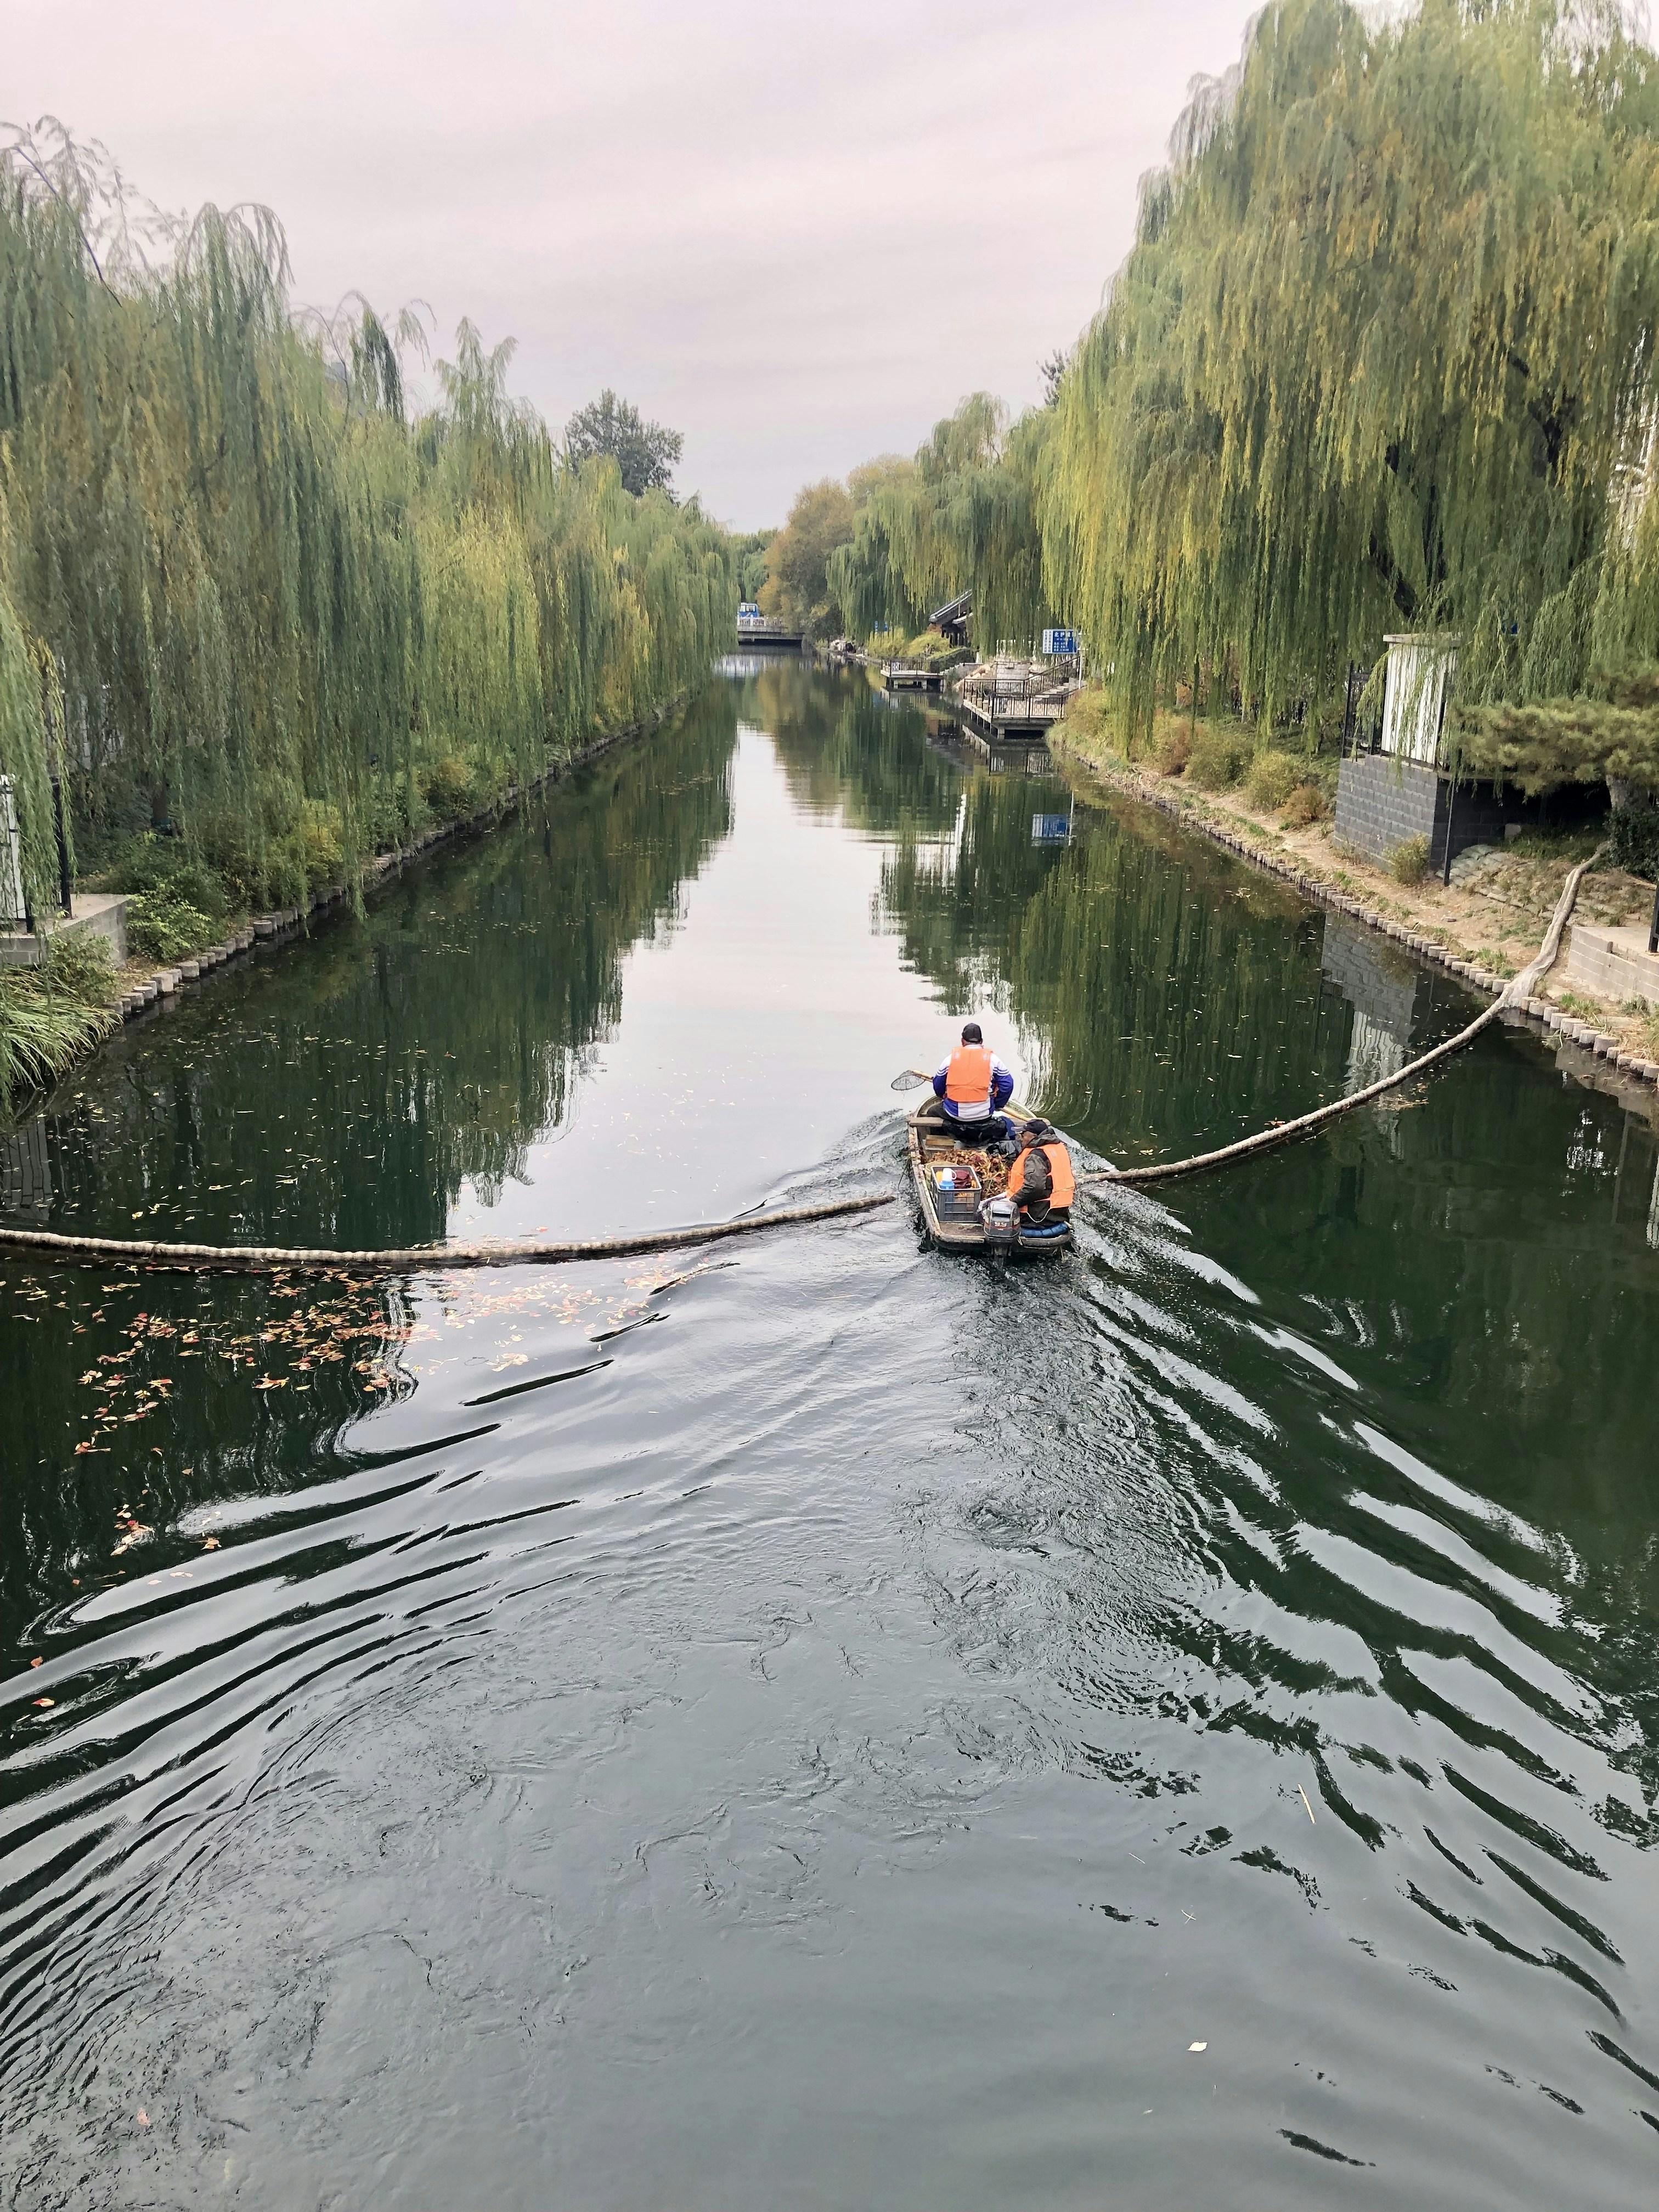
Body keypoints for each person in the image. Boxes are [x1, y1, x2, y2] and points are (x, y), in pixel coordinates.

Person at [927, 1022, 1014, 1143]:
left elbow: (938, 1085)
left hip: (955, 1115)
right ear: (982, 1041)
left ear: (962, 1041)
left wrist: (944, 1096)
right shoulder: (994, 1060)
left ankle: (941, 1142)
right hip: (984, 1115)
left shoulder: (950, 1060)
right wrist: (998, 1104)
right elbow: (1008, 1085)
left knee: (932, 1111)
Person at [1005, 1117, 1076, 1226]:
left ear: (1034, 1137)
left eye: (1024, 1134)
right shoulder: (1059, 1147)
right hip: (1059, 1212)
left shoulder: (1035, 1156)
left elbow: (1034, 1187)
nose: (1020, 1138)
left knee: (988, 1212)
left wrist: (1012, 1203)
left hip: (1037, 1216)